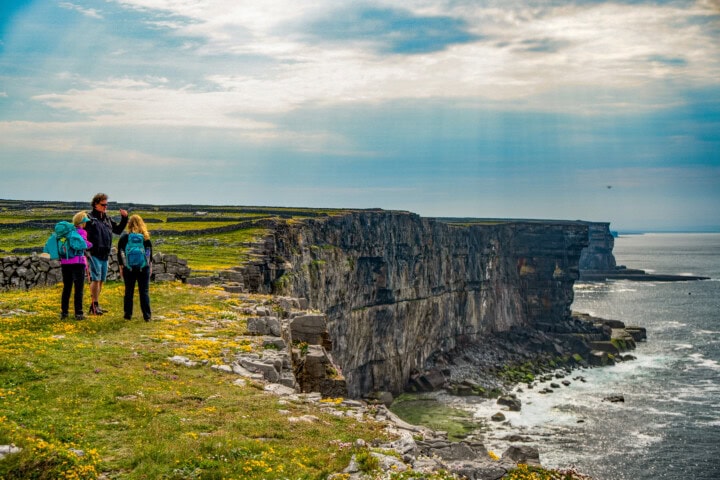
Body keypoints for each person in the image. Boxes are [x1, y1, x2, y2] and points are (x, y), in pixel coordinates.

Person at [85, 193, 128, 315]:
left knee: (101, 280)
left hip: (105, 254)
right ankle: (94, 305)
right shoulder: (89, 219)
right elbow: (83, 234)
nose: (105, 207)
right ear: (95, 204)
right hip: (94, 254)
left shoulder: (107, 219)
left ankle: (95, 304)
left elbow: (118, 230)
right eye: (103, 205)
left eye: (106, 205)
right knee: (96, 279)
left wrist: (124, 218)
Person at [117, 214, 153, 321]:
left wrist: (121, 267)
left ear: (129, 224)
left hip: (129, 268)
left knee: (129, 292)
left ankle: (128, 315)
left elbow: (120, 254)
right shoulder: (145, 238)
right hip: (143, 268)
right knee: (144, 291)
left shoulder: (124, 238)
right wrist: (149, 267)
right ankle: (147, 316)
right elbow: (149, 254)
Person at [60, 212, 93, 320]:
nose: (86, 224)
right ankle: (78, 313)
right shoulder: (81, 232)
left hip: (65, 262)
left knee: (67, 288)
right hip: (78, 262)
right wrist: (90, 244)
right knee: (78, 288)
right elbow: (84, 245)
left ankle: (64, 313)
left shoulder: (67, 232)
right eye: (85, 222)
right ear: (82, 222)